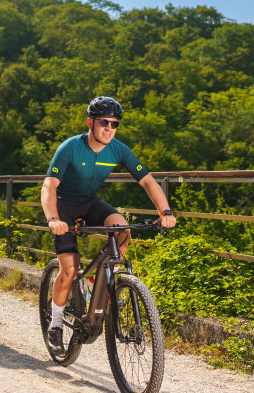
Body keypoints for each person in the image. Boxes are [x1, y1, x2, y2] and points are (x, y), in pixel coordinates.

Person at [41, 96, 177, 352]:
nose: (109, 128)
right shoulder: (71, 147)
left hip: (89, 202)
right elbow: (49, 186)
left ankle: (97, 285)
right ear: (90, 122)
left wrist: (165, 211)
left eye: (114, 124)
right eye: (104, 122)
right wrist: (53, 219)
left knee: (123, 231)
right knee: (69, 270)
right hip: (63, 207)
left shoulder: (118, 149)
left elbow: (147, 181)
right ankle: (56, 325)